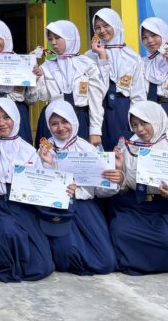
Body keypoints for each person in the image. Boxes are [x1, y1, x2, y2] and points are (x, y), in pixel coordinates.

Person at [0, 97, 55, 283]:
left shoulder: (27, 149)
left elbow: (39, 185)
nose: (1, 123)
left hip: (21, 206)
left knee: (42, 265)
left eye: (6, 117)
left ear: (15, 117)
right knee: (5, 231)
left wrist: (49, 166)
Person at [110, 101, 168, 274]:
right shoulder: (128, 146)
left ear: (156, 121)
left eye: (144, 123)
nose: (139, 129)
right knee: (120, 231)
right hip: (135, 207)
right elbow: (125, 186)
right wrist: (120, 174)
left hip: (165, 209)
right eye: (134, 124)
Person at [35, 100, 117, 275]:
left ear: (73, 120)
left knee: (106, 261)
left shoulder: (88, 149)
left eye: (65, 121)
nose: (60, 128)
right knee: (66, 252)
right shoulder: (44, 150)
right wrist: (51, 165)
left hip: (84, 207)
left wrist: (113, 178)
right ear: (48, 126)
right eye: (54, 123)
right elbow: (40, 186)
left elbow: (101, 191)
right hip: (57, 208)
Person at [35, 20, 104, 143]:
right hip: (53, 119)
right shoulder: (47, 66)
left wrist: (95, 131)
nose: (53, 43)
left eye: (57, 38)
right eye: (50, 39)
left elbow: (96, 100)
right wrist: (38, 77)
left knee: (80, 154)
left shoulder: (88, 65)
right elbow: (43, 96)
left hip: (80, 118)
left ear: (70, 38)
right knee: (51, 154)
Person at [86, 9, 145, 150]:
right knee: (99, 153)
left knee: (123, 152)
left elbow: (138, 93)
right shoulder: (89, 56)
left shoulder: (132, 56)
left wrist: (138, 121)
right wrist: (101, 57)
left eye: (106, 25)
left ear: (116, 25)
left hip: (122, 109)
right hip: (96, 108)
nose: (102, 30)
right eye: (97, 27)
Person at [0, 20, 41, 142]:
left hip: (17, 112)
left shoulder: (22, 63)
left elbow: (31, 100)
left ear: (6, 37)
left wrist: (33, 81)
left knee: (18, 149)